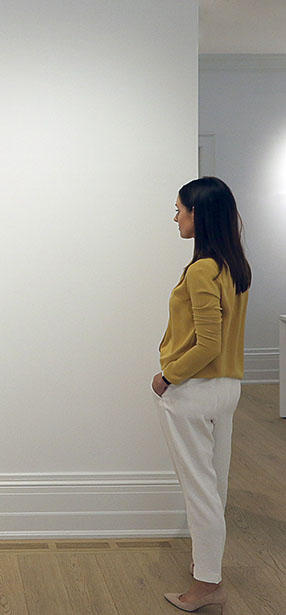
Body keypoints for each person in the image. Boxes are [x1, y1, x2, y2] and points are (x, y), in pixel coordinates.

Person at [151, 176, 251, 613]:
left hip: (194, 391)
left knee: (200, 491)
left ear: (199, 214)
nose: (175, 216)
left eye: (179, 209)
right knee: (216, 485)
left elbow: (207, 343)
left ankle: (207, 584)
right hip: (227, 389)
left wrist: (168, 376)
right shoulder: (234, 266)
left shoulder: (201, 269)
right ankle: (206, 567)